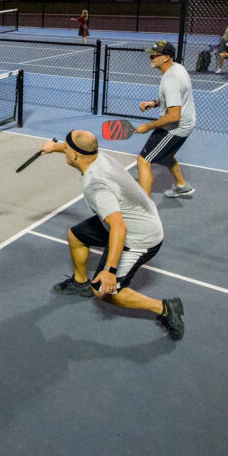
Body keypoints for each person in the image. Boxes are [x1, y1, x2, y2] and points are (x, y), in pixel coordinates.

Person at [40, 130, 184, 341]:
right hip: (131, 216)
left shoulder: (96, 185)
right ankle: (80, 282)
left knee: (104, 291)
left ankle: (164, 308)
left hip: (140, 236)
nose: (65, 151)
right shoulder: (97, 156)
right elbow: (78, 148)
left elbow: (119, 227)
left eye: (66, 149)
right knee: (76, 236)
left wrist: (109, 270)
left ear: (75, 156)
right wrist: (54, 147)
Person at [134, 40, 196, 198]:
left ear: (167, 57)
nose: (151, 57)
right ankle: (182, 185)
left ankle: (145, 207)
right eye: (151, 54)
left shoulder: (171, 80)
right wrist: (153, 103)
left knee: (143, 160)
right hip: (186, 123)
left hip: (176, 127)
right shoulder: (178, 68)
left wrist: (147, 126)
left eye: (155, 55)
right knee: (166, 153)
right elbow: (174, 98)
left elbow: (174, 115)